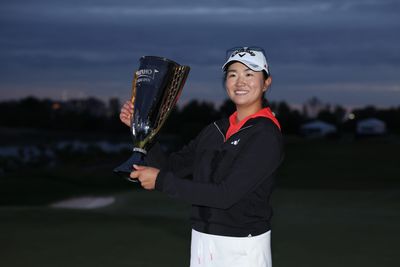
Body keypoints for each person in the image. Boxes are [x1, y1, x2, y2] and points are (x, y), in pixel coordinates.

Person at [120, 46, 284, 267]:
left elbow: (225, 195)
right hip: (202, 241)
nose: (240, 81)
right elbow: (172, 167)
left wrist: (160, 180)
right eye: (233, 74)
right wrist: (143, 134)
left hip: (242, 248)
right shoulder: (215, 130)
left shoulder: (265, 135)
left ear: (266, 83)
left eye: (249, 74)